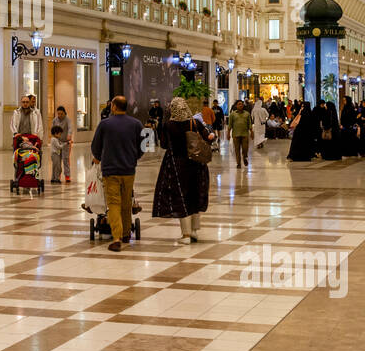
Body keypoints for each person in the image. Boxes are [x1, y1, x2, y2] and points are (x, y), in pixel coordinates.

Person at [152, 97, 213, 244]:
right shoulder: (195, 122)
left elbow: (164, 145)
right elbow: (209, 138)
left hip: (176, 165)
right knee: (195, 194)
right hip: (196, 164)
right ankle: (194, 231)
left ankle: (185, 235)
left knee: (181, 196)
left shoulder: (169, 125)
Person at [90, 95, 144, 252]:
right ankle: (127, 233)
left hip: (111, 170)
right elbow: (145, 145)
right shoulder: (136, 124)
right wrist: (135, 157)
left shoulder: (105, 124)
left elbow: (95, 146)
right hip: (129, 169)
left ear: (113, 107)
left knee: (114, 203)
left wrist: (98, 158)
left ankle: (117, 238)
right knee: (127, 202)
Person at [49, 105, 73, 182]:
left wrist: (69, 135)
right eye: (58, 114)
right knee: (57, 161)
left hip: (66, 142)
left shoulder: (68, 120)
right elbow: (53, 129)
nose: (59, 115)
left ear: (64, 113)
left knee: (65, 159)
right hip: (57, 142)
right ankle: (57, 176)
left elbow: (70, 128)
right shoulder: (55, 120)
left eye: (61, 114)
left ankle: (67, 176)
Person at [227, 99, 252, 168]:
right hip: (236, 135)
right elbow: (230, 125)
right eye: (239, 104)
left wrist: (252, 133)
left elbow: (249, 124)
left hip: (245, 135)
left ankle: (245, 158)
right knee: (237, 150)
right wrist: (228, 134)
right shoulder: (233, 114)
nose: (240, 105)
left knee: (245, 149)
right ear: (236, 106)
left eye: (241, 104)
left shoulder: (247, 114)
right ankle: (238, 163)